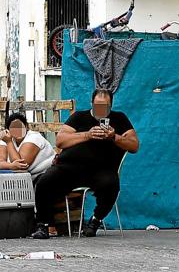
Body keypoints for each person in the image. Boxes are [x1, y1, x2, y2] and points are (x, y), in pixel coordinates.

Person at [32, 89, 139, 239]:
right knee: (45, 181)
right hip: (70, 168)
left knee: (111, 184)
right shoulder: (79, 117)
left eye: (105, 106)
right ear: (91, 104)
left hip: (101, 170)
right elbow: (61, 140)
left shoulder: (119, 119)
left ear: (111, 105)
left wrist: (114, 137)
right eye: (97, 106)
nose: (101, 110)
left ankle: (95, 220)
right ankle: (43, 224)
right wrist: (87, 135)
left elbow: (134, 145)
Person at [0, 113, 56, 181]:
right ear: (8, 130)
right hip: (25, 180)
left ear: (26, 127)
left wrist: (9, 142)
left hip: (46, 175)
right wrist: (11, 166)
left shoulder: (34, 137)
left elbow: (20, 167)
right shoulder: (6, 139)